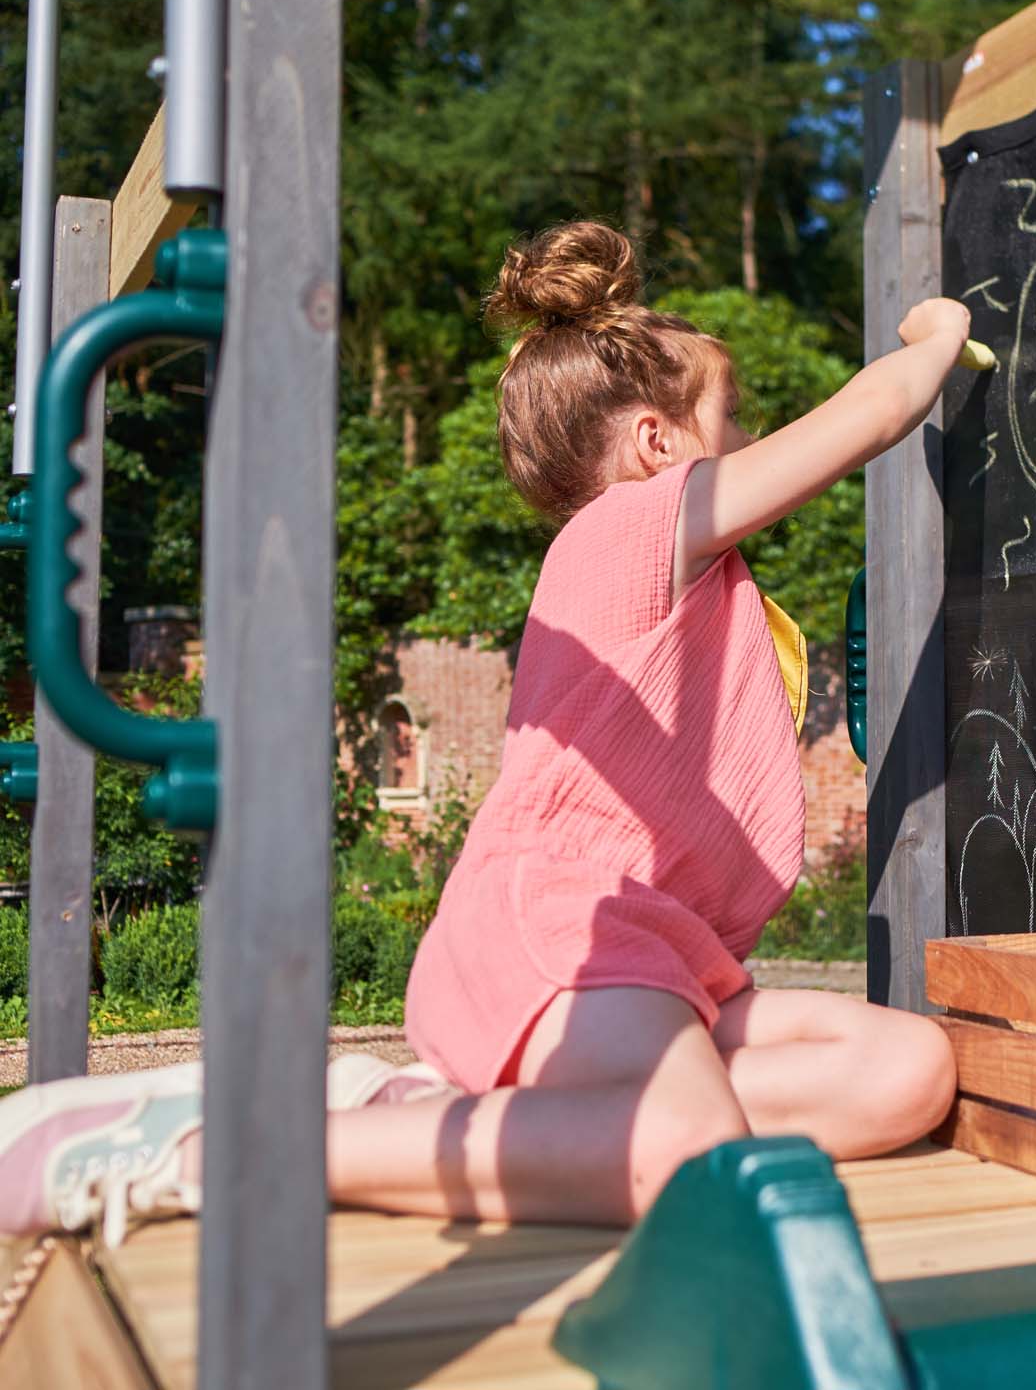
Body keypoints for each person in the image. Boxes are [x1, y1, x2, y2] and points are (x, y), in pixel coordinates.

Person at [0, 221, 964, 1243]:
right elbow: (872, 412)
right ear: (656, 442)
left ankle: (459, 1119)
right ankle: (210, 1154)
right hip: (558, 929)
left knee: (905, 1073)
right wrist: (934, 336)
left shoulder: (676, 572)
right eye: (730, 416)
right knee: (689, 1152)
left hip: (659, 954)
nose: (745, 436)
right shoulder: (634, 527)